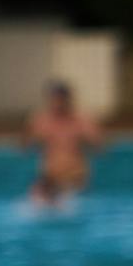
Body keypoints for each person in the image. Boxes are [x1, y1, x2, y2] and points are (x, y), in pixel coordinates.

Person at [23, 79, 101, 208]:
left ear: (68, 100)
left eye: (60, 99)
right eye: (54, 99)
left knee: (68, 205)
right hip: (49, 179)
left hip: (75, 179)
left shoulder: (81, 121)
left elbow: (100, 147)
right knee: (35, 205)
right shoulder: (41, 121)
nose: (57, 103)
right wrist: (32, 136)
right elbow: (24, 147)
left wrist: (87, 138)